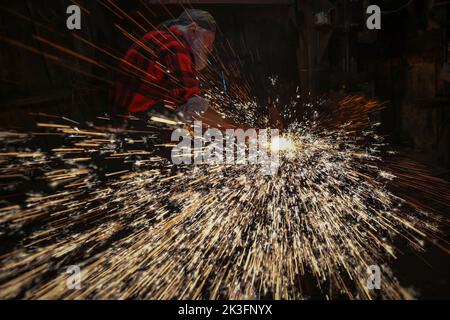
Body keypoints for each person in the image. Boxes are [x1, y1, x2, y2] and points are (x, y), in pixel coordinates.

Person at [111, 9, 242, 130]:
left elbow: (178, 100)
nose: (210, 49)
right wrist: (237, 129)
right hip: (132, 128)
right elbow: (193, 106)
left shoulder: (162, 39)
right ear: (193, 31)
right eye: (209, 41)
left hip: (124, 123)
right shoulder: (175, 46)